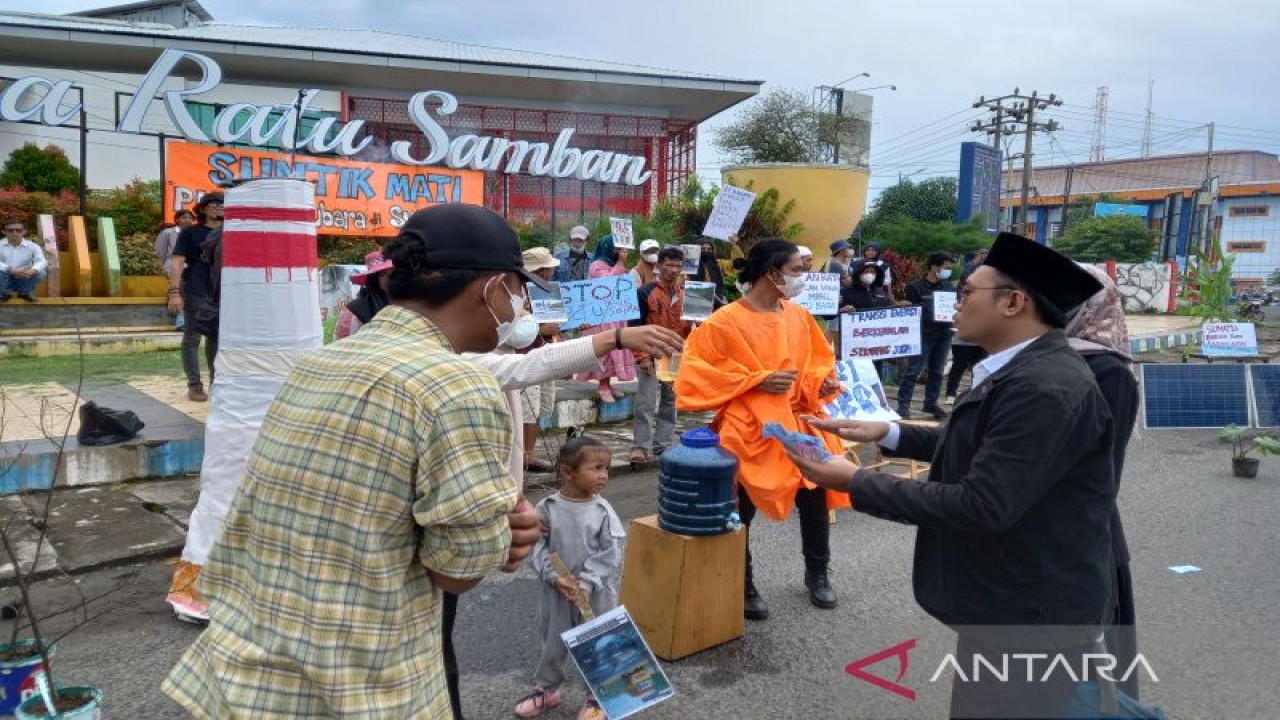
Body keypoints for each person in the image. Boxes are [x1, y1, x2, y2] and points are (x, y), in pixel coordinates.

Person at [163, 203, 546, 719]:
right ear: (494, 288)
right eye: (521, 290)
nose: (521, 306)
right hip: (358, 686)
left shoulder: (319, 361)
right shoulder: (457, 386)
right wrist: (502, 534)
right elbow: (458, 571)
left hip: (251, 671)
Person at [781, 232, 1115, 720]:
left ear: (1014, 302)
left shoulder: (1043, 388)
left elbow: (981, 504)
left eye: (967, 293)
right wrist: (888, 431)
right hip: (1010, 601)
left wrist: (851, 480)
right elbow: (974, 443)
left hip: (1031, 614)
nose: (954, 304)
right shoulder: (1019, 369)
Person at [675, 238, 850, 619]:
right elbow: (695, 376)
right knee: (743, 508)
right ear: (772, 273)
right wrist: (755, 380)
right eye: (798, 269)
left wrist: (821, 383)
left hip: (800, 422)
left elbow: (817, 364)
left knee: (815, 497)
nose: (803, 277)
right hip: (750, 428)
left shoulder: (798, 316)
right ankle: (744, 583)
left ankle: (818, 574)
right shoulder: (723, 321)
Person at [1066, 264, 1142, 701]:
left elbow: (1098, 477)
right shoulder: (1043, 357)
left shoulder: (1107, 372)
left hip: (1082, 543)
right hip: (1052, 551)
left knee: (1090, 687)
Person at [514, 436, 624, 720]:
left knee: (597, 642)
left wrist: (586, 582)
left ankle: (598, 696)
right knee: (553, 641)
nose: (604, 475)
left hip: (595, 594)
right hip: (556, 592)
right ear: (567, 472)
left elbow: (611, 554)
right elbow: (534, 545)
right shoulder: (548, 508)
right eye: (597, 468)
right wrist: (553, 577)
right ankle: (547, 690)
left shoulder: (602, 511)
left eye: (607, 468)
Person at [629, 247, 693, 465]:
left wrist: (700, 324)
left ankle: (663, 445)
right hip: (652, 352)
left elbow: (694, 329)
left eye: (678, 266)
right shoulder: (645, 292)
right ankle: (640, 447)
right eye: (669, 265)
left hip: (676, 354)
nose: (674, 270)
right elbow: (635, 327)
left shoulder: (689, 294)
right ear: (658, 266)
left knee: (670, 402)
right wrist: (642, 356)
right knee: (645, 402)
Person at [168, 192, 224, 402]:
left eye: (222, 204)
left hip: (221, 291)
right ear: (202, 209)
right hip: (196, 289)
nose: (218, 207)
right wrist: (174, 293)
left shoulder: (231, 232)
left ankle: (216, 383)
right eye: (213, 204)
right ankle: (194, 385)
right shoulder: (190, 233)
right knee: (192, 337)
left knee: (216, 337)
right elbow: (177, 262)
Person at [573, 235, 634, 403]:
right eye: (615, 248)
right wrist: (621, 264)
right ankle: (602, 385)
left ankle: (608, 383)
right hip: (600, 318)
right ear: (607, 247)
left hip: (614, 315)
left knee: (616, 349)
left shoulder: (609, 265)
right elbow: (608, 284)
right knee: (604, 351)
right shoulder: (596, 265)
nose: (618, 252)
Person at [896, 251, 956, 419]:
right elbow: (909, 313)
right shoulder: (915, 287)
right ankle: (903, 405)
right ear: (934, 267)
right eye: (946, 267)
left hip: (944, 334)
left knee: (937, 371)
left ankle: (931, 404)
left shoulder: (948, 287)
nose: (948, 271)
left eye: (950, 268)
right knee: (913, 370)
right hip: (923, 335)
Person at [945, 249, 989, 405]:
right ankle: (950, 393)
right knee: (959, 366)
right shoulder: (960, 299)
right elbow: (954, 315)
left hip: (982, 339)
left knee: (980, 367)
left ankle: (976, 394)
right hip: (963, 339)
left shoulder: (991, 299)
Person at [334, 250, 392, 340]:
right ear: (374, 278)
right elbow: (343, 342)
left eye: (394, 274)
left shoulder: (406, 301)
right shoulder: (357, 309)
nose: (390, 279)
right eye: (382, 275)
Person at [0, 219, 48, 302]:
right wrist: (11, 270)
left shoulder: (33, 246)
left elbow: (41, 261)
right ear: (4, 231)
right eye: (10, 230)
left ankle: (24, 293)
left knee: (41, 272)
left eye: (18, 230)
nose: (14, 233)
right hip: (5, 278)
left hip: (24, 277)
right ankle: (5, 293)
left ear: (24, 231)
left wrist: (32, 270)